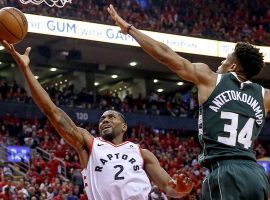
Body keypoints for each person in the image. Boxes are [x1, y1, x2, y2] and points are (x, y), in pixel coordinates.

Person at [107, 4, 270, 200]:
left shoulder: (210, 79)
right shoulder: (265, 95)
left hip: (225, 172)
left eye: (224, 61)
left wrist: (130, 29)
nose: (220, 64)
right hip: (257, 175)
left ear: (233, 66)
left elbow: (166, 54)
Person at [1, 40, 193, 200]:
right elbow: (53, 112)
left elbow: (170, 188)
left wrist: (181, 189)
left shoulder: (142, 153)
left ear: (124, 126)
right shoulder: (88, 143)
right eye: (102, 118)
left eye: (111, 117)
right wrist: (26, 70)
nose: (105, 120)